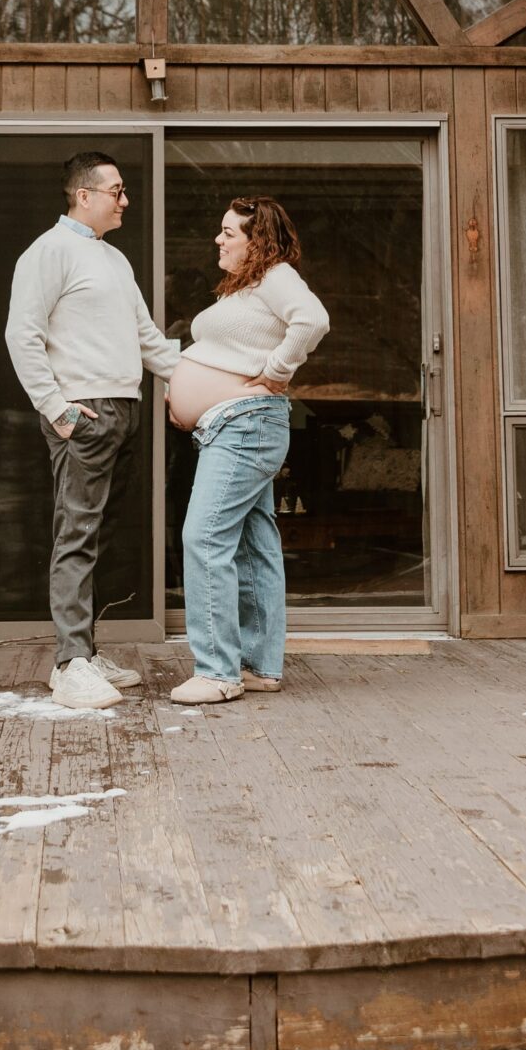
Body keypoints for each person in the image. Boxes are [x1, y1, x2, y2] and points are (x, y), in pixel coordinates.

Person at [5, 150, 180, 711]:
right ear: (84, 195)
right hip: (81, 410)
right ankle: (69, 663)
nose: (125, 200)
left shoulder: (115, 260)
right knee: (76, 533)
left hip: (124, 407)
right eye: (117, 191)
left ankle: (86, 650)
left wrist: (206, 377)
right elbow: (21, 335)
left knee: (100, 534)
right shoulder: (48, 252)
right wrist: (57, 409)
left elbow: (149, 338)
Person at [167, 196, 329, 706]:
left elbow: (313, 320)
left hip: (246, 427)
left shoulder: (276, 274)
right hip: (232, 427)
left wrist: (278, 371)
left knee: (205, 535)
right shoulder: (246, 288)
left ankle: (217, 671)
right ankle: (260, 666)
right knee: (253, 544)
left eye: (229, 233)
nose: (219, 239)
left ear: (257, 242)